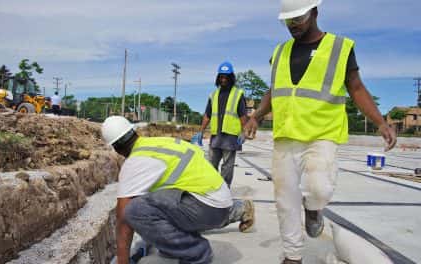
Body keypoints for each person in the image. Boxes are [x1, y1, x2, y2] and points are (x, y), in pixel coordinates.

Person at [245, 1, 397, 263]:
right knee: (285, 199)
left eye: (298, 19)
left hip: (322, 134)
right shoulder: (280, 52)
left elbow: (356, 88)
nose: (293, 26)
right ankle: (292, 256)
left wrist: (380, 122)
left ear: (315, 12)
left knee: (320, 188)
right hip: (286, 134)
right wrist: (256, 116)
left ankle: (314, 209)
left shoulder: (339, 48)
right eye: (288, 21)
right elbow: (273, 91)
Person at [101, 116, 255, 264]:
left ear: (116, 148)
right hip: (219, 200)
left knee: (134, 210)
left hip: (209, 208)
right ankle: (239, 208)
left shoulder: (134, 163)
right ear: (134, 131)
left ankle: (197, 252)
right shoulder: (158, 142)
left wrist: (122, 261)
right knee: (152, 201)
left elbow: (124, 218)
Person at [193, 62, 247, 187]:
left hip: (231, 137)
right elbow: (207, 115)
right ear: (218, 78)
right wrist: (201, 131)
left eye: (226, 77)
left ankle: (224, 191)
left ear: (231, 78)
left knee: (227, 167)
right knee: (211, 165)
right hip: (216, 136)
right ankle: (212, 189)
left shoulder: (237, 94)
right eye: (221, 77)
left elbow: (243, 116)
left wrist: (244, 132)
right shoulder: (213, 95)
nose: (223, 79)